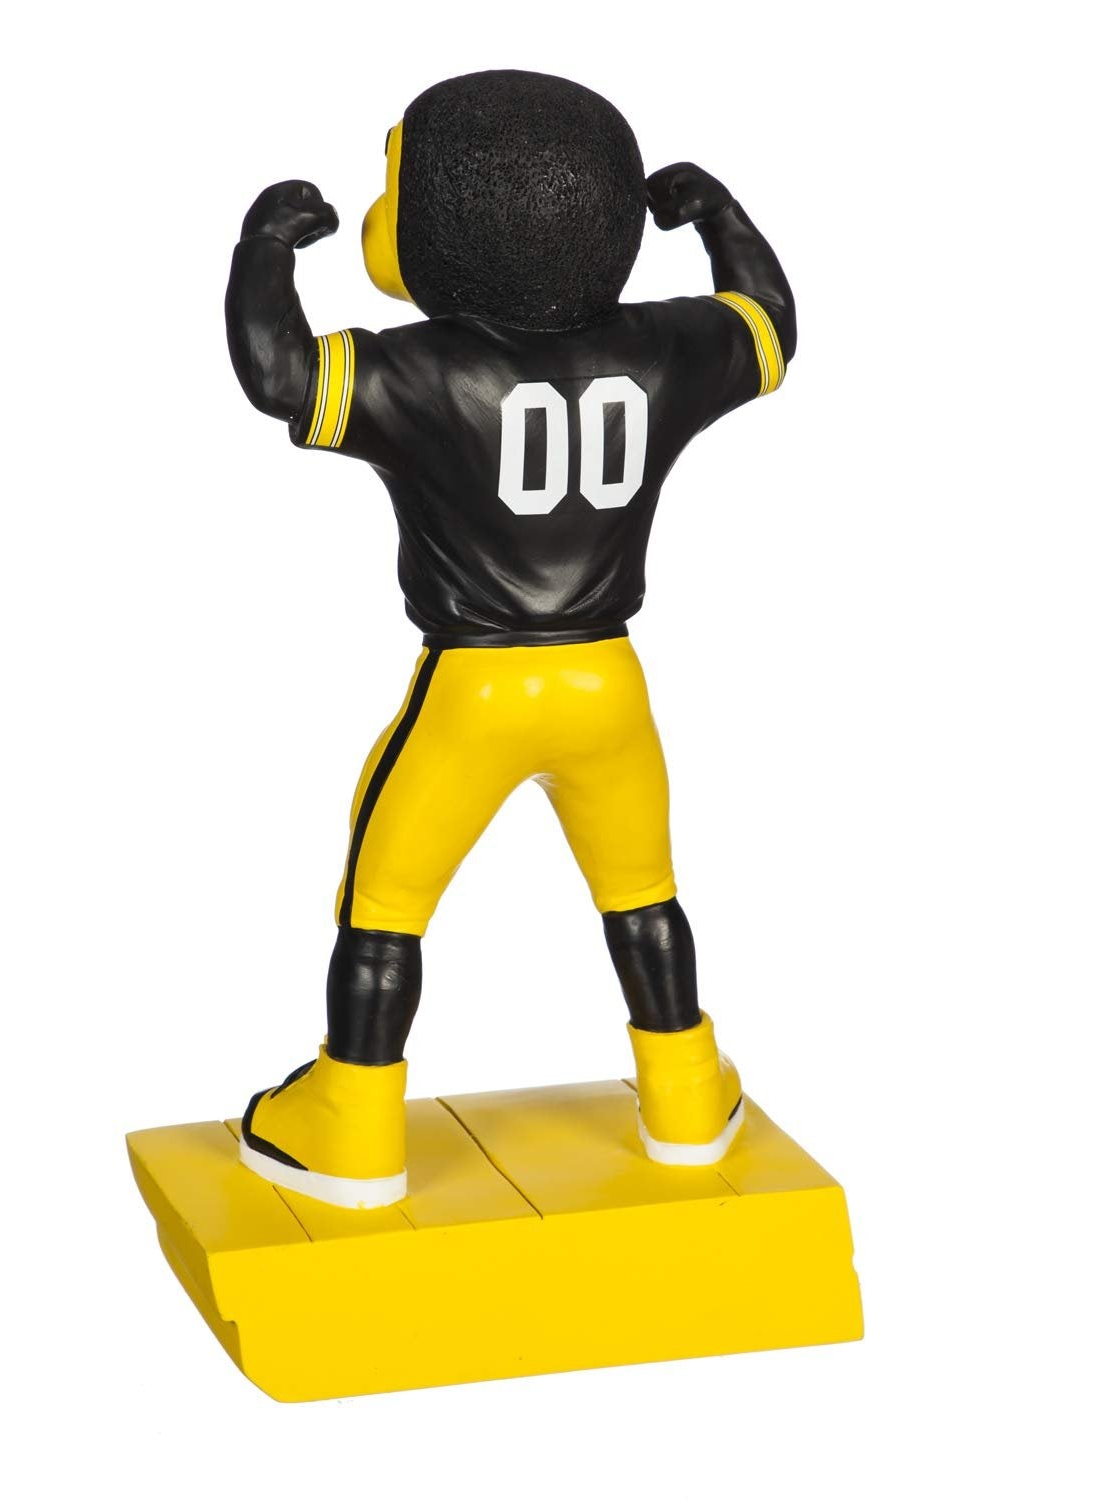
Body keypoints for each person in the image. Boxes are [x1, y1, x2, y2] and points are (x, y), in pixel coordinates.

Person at [225, 69, 795, 1209]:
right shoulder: (661, 351)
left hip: (477, 686)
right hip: (606, 680)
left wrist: (263, 248)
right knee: (643, 894)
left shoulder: (422, 368)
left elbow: (280, 374)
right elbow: (769, 327)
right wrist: (720, 217)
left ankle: (351, 1119)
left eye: (396, 182)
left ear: (451, 227)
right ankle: (687, 1094)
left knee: (383, 905)